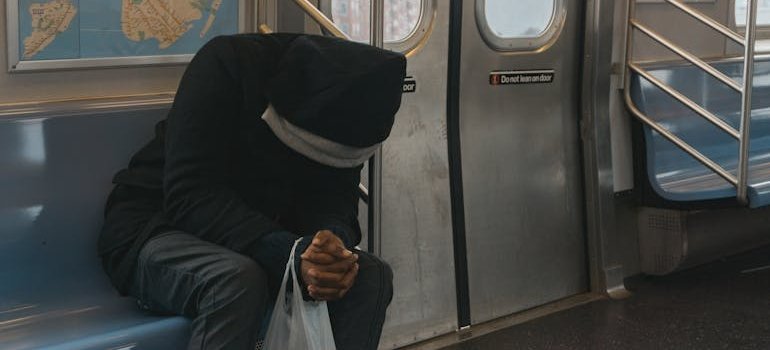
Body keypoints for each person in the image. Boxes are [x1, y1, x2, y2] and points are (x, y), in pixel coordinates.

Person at [97, 33, 406, 350]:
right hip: (156, 229)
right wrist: (289, 253)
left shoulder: (356, 105)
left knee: (370, 277)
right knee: (237, 280)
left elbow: (335, 198)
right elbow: (190, 195)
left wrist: (329, 244)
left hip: (261, 237)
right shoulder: (227, 63)